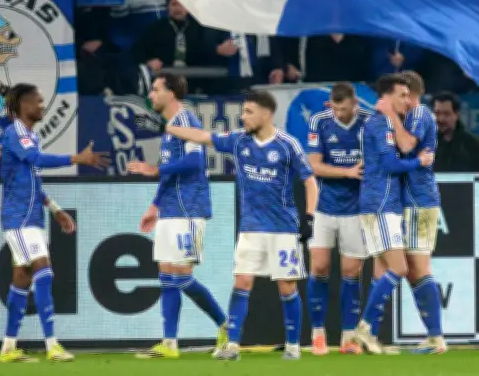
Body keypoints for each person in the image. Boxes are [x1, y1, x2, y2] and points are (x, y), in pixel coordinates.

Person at [165, 90, 318, 361]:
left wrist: (309, 217)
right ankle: (233, 345)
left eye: (248, 112)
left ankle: (293, 345)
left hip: (283, 228)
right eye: (243, 111)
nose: (243, 117)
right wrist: (169, 127)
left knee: (287, 287)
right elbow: (203, 137)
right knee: (242, 282)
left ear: (266, 114)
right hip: (250, 227)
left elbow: (310, 181)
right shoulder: (238, 140)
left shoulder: (288, 144)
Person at [0, 84, 109, 362]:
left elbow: (33, 179)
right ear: (24, 105)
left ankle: (8, 347)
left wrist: (55, 208)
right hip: (18, 218)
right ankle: (52, 345)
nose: (42, 106)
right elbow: (35, 159)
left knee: (22, 278)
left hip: (31, 216)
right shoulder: (14, 133)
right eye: (38, 101)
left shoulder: (31, 136)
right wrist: (76, 158)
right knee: (44, 270)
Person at [126, 73, 228, 359]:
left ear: (171, 93)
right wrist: (155, 205)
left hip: (189, 207)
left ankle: (226, 325)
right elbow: (169, 170)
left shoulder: (186, 121)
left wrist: (156, 170)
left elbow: (196, 160)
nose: (150, 95)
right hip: (170, 208)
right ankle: (169, 343)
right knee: (166, 274)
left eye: (155, 89)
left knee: (181, 276)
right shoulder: (170, 128)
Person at [352, 74, 433, 354]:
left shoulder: (378, 123)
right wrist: (419, 161)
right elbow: (389, 164)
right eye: (402, 95)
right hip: (381, 204)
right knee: (400, 268)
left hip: (379, 203)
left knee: (381, 271)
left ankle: (370, 336)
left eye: (409, 95)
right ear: (386, 97)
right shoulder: (381, 123)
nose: (407, 101)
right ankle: (363, 328)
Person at [376, 71, 446, 354]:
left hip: (420, 200)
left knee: (418, 268)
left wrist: (390, 115)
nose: (402, 101)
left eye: (404, 95)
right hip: (406, 200)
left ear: (411, 94)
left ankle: (437, 337)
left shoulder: (419, 113)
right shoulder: (409, 115)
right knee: (409, 271)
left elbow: (406, 145)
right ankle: (432, 336)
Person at [305, 83, 370, 356]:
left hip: (356, 209)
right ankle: (318, 334)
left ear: (355, 104)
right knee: (319, 267)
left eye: (343, 109)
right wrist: (347, 172)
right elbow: (314, 165)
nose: (339, 114)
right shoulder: (319, 121)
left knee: (351, 272)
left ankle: (349, 337)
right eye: (335, 108)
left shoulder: (369, 122)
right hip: (325, 207)